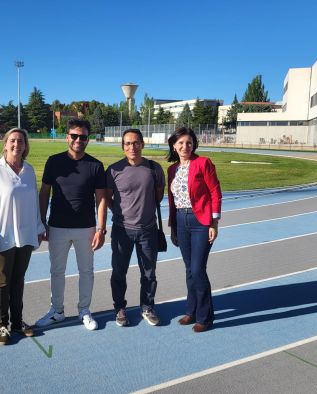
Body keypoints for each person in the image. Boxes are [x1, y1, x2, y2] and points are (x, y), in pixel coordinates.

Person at [35, 118, 107, 331]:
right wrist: (42, 222)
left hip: (86, 228)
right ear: (66, 137)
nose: (78, 140)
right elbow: (44, 193)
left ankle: (84, 310)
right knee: (57, 271)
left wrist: (101, 229)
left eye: (83, 137)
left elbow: (101, 200)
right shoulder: (54, 161)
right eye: (74, 136)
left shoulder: (95, 165)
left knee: (86, 271)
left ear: (88, 139)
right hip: (57, 226)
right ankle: (57, 311)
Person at [0, 128, 46, 345]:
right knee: (2, 281)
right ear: (6, 143)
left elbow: (34, 202)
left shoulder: (28, 170)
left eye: (21, 141)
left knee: (18, 280)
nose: (16, 144)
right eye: (13, 140)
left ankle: (17, 323)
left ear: (26, 145)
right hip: (2, 234)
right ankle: (2, 326)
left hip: (26, 234)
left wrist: (39, 228)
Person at [106, 129, 165, 327]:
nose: (132, 147)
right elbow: (106, 197)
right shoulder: (114, 170)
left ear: (142, 144)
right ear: (123, 146)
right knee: (118, 272)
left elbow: (159, 195)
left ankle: (147, 307)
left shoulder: (154, 168)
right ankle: (119, 308)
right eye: (128, 143)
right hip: (121, 230)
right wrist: (119, 213)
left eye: (136, 142)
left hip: (148, 229)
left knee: (149, 273)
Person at [167, 127, 222, 333]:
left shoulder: (203, 163)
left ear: (194, 144)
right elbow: (172, 201)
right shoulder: (172, 169)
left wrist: (213, 223)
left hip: (201, 222)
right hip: (181, 221)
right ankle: (191, 310)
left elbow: (215, 192)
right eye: (180, 143)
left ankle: (205, 316)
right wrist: (172, 225)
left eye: (188, 142)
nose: (185, 146)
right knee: (189, 269)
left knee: (198, 270)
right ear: (174, 145)